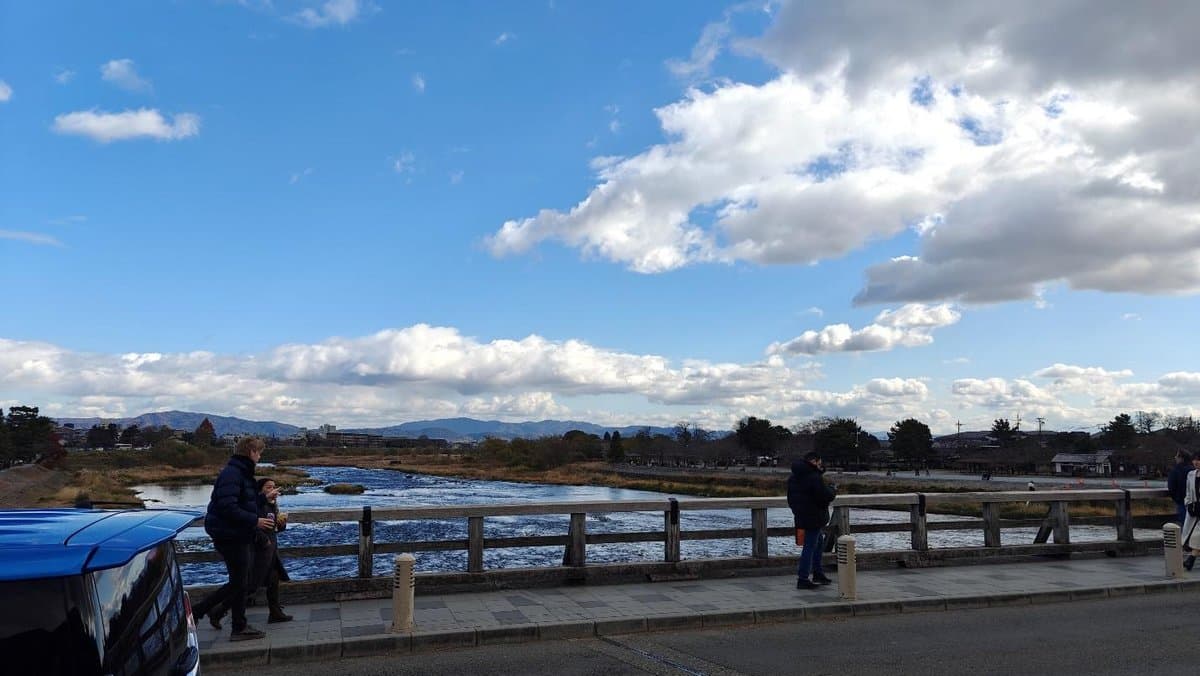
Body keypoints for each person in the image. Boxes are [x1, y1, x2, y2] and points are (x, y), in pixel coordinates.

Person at [190, 437, 274, 641]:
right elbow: (228, 507)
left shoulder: (240, 472)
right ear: (251, 451)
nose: (260, 456)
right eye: (259, 452)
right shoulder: (233, 474)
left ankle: (205, 612)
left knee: (239, 582)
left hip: (235, 533)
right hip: (230, 534)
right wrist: (255, 521)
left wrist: (263, 498)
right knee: (240, 581)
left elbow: (244, 500)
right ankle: (234, 625)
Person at [208, 477, 293, 627]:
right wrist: (262, 539)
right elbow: (249, 525)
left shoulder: (273, 505)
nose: (273, 490)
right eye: (268, 487)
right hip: (259, 552)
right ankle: (218, 611)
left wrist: (282, 524)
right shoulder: (255, 506)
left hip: (271, 551)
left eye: (274, 487)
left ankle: (275, 613)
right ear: (260, 490)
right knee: (250, 586)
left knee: (273, 579)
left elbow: (273, 528)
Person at [787, 451, 836, 590]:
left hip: (801, 515)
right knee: (810, 546)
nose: (821, 466)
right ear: (814, 462)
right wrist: (832, 489)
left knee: (818, 543)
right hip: (814, 516)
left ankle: (818, 573)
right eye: (819, 463)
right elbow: (825, 496)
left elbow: (791, 498)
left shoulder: (794, 477)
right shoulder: (814, 477)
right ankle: (803, 578)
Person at [1183, 454, 1200, 571]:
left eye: (1198, 460)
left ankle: (1191, 558)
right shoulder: (1191, 474)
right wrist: (1188, 504)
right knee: (1194, 534)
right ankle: (1191, 558)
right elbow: (1188, 491)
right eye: (1195, 459)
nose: (1196, 462)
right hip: (1194, 508)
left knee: (1197, 534)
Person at [1168, 451, 1192, 525]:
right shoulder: (1193, 470)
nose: (1175, 458)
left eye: (1177, 456)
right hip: (1193, 501)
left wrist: (1176, 499)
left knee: (1184, 524)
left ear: (1181, 458)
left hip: (1181, 501)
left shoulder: (1175, 470)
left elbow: (1171, 487)